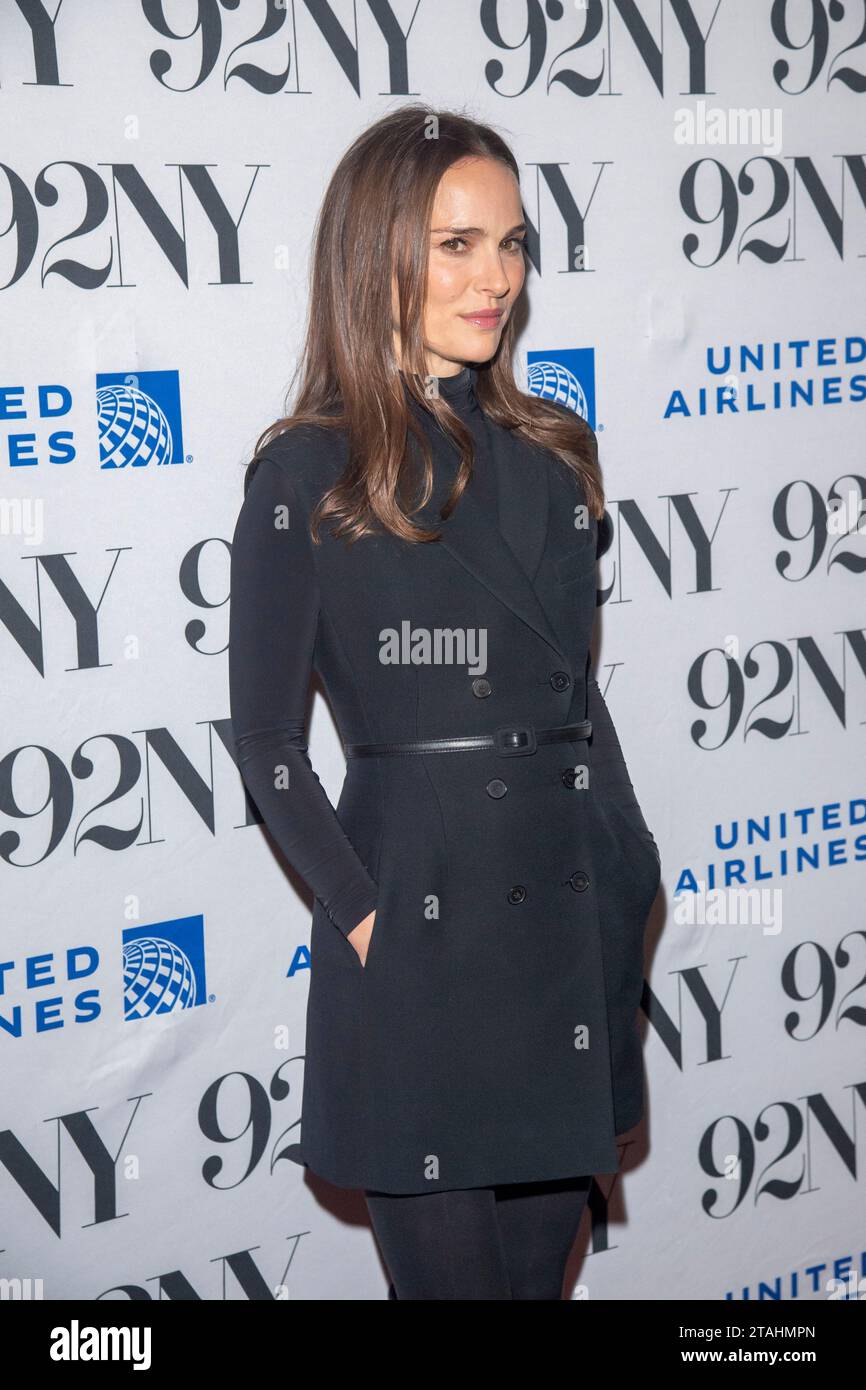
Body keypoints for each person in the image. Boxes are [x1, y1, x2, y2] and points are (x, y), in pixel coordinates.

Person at [228, 105, 661, 1300]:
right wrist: (369, 919)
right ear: (377, 254)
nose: (496, 280)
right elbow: (266, 742)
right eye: (456, 244)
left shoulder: (554, 450)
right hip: (418, 934)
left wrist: (629, 865)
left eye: (512, 243)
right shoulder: (307, 469)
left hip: (561, 931)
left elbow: (574, 695)